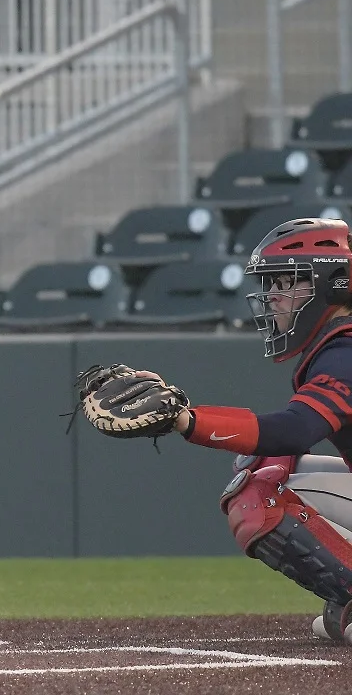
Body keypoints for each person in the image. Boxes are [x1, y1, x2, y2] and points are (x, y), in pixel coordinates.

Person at [87, 217, 352, 643]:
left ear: (332, 284)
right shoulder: (337, 345)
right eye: (272, 285)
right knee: (265, 462)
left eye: (287, 283)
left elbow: (296, 429)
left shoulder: (344, 351)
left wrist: (186, 420)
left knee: (258, 490)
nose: (273, 298)